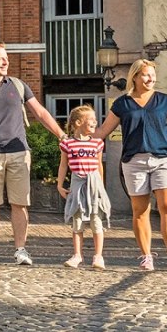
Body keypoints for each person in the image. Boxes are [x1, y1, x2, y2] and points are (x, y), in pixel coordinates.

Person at [0, 41, 66, 265]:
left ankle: (21, 250)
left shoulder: (18, 86)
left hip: (19, 152)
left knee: (20, 203)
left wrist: (61, 135)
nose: (5, 61)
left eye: (6, 57)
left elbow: (39, 112)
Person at [95, 58, 167, 272]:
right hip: (134, 161)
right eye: (145, 74)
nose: (150, 78)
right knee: (140, 210)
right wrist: (76, 137)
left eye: (153, 74)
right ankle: (146, 256)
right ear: (134, 76)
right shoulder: (122, 104)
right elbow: (102, 132)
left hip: (164, 158)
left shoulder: (165, 101)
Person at [57, 105, 111, 269]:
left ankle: (98, 256)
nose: (95, 122)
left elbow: (99, 165)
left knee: (96, 219)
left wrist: (101, 186)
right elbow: (63, 166)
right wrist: (60, 185)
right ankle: (77, 255)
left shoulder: (97, 143)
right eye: (91, 120)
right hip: (77, 182)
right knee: (77, 219)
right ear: (79, 122)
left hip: (94, 184)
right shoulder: (67, 144)